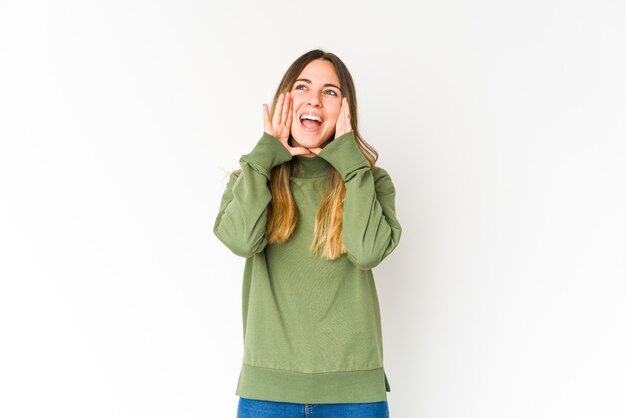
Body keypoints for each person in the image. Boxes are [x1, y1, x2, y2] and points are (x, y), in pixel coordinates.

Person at [213, 49, 402, 418]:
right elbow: (238, 239)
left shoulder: (370, 182)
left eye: (330, 92)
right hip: (267, 394)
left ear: (346, 111)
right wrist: (265, 156)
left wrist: (350, 162)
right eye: (303, 86)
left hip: (354, 396)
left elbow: (367, 251)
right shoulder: (252, 176)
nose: (314, 99)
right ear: (286, 99)